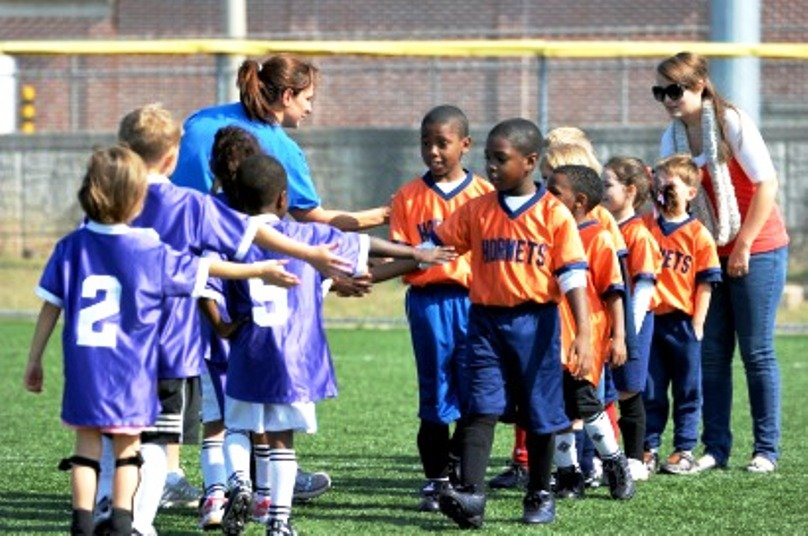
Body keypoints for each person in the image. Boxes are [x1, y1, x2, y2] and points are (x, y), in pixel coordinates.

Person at [21, 145, 310, 536]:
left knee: (86, 451)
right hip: (131, 370)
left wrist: (34, 360)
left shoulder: (70, 246)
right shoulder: (147, 249)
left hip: (85, 371)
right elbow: (205, 268)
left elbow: (50, 305)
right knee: (130, 450)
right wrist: (257, 269)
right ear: (136, 200)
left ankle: (83, 523)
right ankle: (127, 521)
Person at [115, 103, 350, 535]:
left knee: (183, 426)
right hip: (252, 344)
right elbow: (226, 258)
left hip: (169, 335)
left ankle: (211, 497)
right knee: (263, 429)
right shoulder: (209, 212)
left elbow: (200, 276)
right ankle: (265, 504)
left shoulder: (126, 203)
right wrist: (317, 256)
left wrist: (218, 324)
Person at [218, 153, 455, 536]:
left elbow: (211, 289)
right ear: (282, 199)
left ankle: (240, 485)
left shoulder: (230, 238)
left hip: (248, 350)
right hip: (292, 358)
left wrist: (224, 326)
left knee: (237, 427)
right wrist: (415, 252)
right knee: (282, 441)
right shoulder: (307, 236)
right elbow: (362, 244)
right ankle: (279, 520)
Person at [430, 118, 591, 527]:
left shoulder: (554, 214)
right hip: (485, 322)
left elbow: (573, 275)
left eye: (501, 159)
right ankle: (471, 496)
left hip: (536, 323)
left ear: (531, 162)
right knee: (480, 407)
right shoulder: (478, 209)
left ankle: (539, 492)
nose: (491, 166)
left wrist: (584, 333)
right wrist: (373, 266)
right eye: (488, 158)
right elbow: (433, 248)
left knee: (539, 412)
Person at [654, 51, 789, 474]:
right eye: (660, 92)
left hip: (758, 246)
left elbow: (767, 184)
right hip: (709, 252)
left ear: (699, 86)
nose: (668, 99)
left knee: (756, 352)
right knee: (711, 354)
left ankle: (765, 449)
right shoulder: (672, 136)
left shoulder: (731, 122)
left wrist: (744, 244)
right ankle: (716, 448)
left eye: (674, 90)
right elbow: (668, 200)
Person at [385, 105, 494, 512]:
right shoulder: (409, 196)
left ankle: (462, 471)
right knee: (435, 391)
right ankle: (435, 479)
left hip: (476, 303)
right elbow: (401, 255)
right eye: (426, 142)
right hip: (429, 305)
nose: (433, 151)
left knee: (476, 390)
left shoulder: (485, 194)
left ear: (465, 145)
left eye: (442, 143)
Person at [171, 53, 388, 231]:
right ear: (287, 96)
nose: (309, 109)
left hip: (166, 232)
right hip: (214, 250)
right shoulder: (281, 148)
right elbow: (313, 219)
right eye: (307, 99)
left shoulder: (200, 117)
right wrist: (384, 215)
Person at [545, 164, 635, 501]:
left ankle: (615, 463)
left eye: (555, 193)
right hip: (551, 337)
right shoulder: (548, 232)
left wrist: (619, 337)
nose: (546, 198)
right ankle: (569, 475)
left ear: (579, 201)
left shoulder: (598, 237)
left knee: (585, 401)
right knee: (556, 408)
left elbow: (614, 293)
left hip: (584, 338)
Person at [642, 154, 721, 475]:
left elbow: (706, 283)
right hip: (650, 321)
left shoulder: (698, 234)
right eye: (660, 181)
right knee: (650, 387)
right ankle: (647, 447)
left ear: (691, 192)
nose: (663, 188)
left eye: (670, 182)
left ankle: (684, 449)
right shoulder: (646, 227)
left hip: (683, 323)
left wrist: (698, 323)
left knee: (688, 389)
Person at [602, 156, 662, 481]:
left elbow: (645, 287)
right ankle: (603, 458)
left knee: (629, 390)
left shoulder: (638, 233)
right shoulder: (603, 227)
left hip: (632, 326)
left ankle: (636, 458)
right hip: (607, 324)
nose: (602, 190)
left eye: (608, 184)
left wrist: (629, 332)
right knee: (604, 391)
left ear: (630, 191)